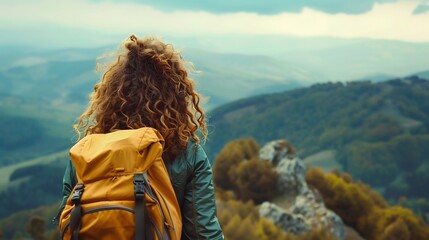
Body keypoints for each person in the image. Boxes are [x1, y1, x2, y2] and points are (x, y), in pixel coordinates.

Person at [58, 35, 224, 239]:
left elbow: (67, 223)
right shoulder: (187, 153)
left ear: (111, 94)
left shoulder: (86, 152)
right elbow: (203, 233)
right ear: (176, 94)